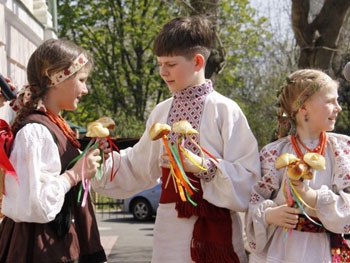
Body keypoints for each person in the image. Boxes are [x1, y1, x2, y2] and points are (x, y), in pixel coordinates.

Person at [91, 15, 260, 263]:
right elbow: (139, 164)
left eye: (170, 64)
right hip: (170, 230)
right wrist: (102, 163)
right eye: (160, 63)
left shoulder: (226, 110)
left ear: (198, 61)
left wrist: (205, 167)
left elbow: (249, 177)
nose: (162, 71)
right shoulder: (161, 111)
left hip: (217, 228)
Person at [0, 39, 108, 263]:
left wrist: (87, 158)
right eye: (81, 80)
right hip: (43, 248)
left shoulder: (56, 124)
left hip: (63, 241)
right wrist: (74, 174)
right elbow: (35, 204)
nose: (85, 90)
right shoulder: (35, 132)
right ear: (54, 77)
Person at [245, 69, 350, 262]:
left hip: (323, 251)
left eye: (337, 100)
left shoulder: (342, 150)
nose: (338, 108)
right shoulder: (274, 152)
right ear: (303, 109)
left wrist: (315, 198)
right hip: (281, 250)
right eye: (329, 101)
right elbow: (253, 200)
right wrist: (269, 215)